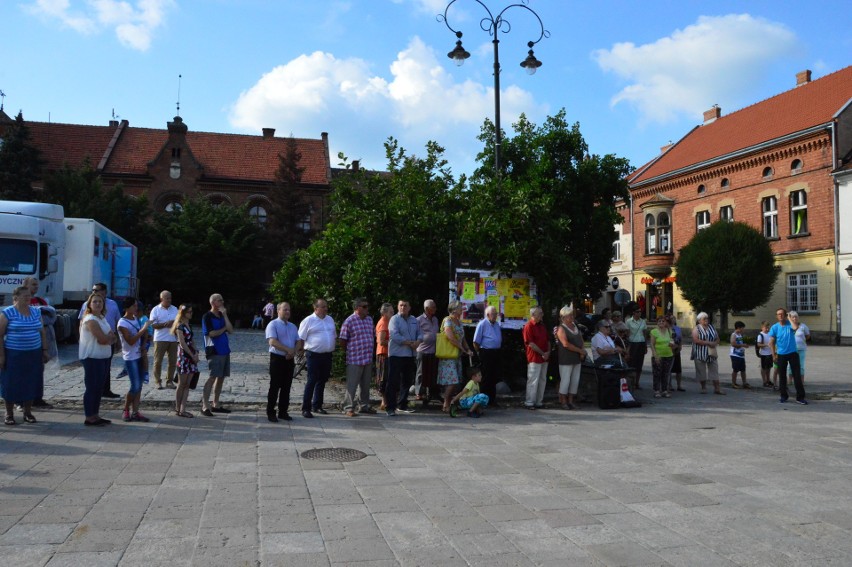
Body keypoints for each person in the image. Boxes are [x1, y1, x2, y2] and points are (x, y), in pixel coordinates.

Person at [0, 286, 49, 425]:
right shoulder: (8, 313)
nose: (28, 298)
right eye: (24, 296)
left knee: (30, 382)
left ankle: (27, 412)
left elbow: (42, 332)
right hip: (13, 355)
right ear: (15, 298)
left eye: (29, 296)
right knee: (10, 383)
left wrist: (45, 350)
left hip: (33, 354)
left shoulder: (35, 312)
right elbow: (0, 334)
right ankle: (9, 413)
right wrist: (1, 356)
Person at [79, 293, 117, 426]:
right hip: (92, 357)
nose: (98, 304)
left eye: (100, 302)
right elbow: (103, 339)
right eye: (95, 302)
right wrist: (109, 339)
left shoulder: (101, 318)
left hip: (103, 356)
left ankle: (95, 414)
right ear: (89, 304)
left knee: (99, 388)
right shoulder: (90, 319)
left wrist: (109, 339)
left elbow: (112, 336)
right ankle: (89, 416)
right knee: (92, 387)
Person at [79, 283, 122, 398]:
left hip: (105, 348)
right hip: (92, 351)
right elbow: (102, 339)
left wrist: (114, 339)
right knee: (93, 383)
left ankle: (106, 390)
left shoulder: (111, 306)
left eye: (97, 290)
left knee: (106, 369)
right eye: (93, 290)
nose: (94, 292)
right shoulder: (90, 316)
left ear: (104, 291)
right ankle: (90, 413)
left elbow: (115, 327)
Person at [298, 298, 336, 418]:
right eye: (323, 306)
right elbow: (301, 338)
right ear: (316, 308)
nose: (326, 308)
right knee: (312, 380)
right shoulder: (308, 321)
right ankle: (306, 408)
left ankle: (317, 405)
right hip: (313, 354)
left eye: (326, 306)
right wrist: (300, 351)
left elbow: (333, 335)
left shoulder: (330, 319)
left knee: (322, 380)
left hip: (327, 355)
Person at [339, 298, 376, 417]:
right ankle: (348, 407)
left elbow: (372, 335)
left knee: (365, 385)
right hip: (355, 358)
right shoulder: (349, 321)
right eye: (364, 307)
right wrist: (350, 351)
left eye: (367, 306)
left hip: (367, 357)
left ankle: (364, 406)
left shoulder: (369, 320)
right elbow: (342, 340)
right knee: (352, 384)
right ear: (357, 308)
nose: (367, 309)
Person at [117, 297, 152, 422]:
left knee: (140, 385)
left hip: (139, 355)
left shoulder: (136, 319)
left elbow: (144, 335)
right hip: (130, 357)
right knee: (135, 385)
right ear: (127, 308)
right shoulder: (122, 323)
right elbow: (131, 341)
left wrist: (143, 346)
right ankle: (126, 409)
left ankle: (135, 411)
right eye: (134, 306)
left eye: (136, 306)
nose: (136, 308)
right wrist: (144, 329)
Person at [265, 302, 301, 422]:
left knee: (287, 386)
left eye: (289, 310)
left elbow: (299, 342)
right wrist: (287, 350)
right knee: (275, 386)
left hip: (289, 359)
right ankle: (271, 412)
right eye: (285, 310)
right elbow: (272, 342)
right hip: (277, 358)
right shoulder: (273, 324)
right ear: (278, 311)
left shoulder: (292, 326)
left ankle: (283, 411)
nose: (287, 312)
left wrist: (293, 352)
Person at [386, 300, 422, 416]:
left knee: (407, 381)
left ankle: (402, 404)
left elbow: (420, 333)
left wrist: (418, 341)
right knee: (393, 381)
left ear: (409, 307)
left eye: (405, 305)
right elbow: (394, 335)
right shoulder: (394, 319)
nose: (403, 307)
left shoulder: (414, 320)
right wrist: (408, 343)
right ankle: (390, 407)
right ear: (397, 307)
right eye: (401, 305)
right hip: (396, 354)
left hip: (410, 355)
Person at [23, 276, 55, 409]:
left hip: (40, 342)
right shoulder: (22, 301)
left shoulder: (41, 301)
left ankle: (38, 398)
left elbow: (50, 317)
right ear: (25, 285)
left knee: (39, 371)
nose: (36, 287)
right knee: (25, 373)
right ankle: (22, 400)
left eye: (37, 285)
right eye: (33, 285)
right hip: (25, 343)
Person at [201, 293, 234, 416]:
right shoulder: (207, 317)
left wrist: (225, 315)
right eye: (220, 300)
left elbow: (230, 330)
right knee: (212, 376)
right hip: (214, 350)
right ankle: (205, 405)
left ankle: (216, 403)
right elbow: (211, 333)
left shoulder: (221, 315)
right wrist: (223, 329)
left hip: (225, 350)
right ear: (213, 302)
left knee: (221, 377)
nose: (222, 302)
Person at [438, 301, 472, 413]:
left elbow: (463, 338)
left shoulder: (459, 322)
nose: (462, 309)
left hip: (456, 356)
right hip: (448, 356)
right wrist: (462, 349)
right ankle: (446, 403)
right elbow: (450, 337)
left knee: (455, 381)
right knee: (452, 381)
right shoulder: (447, 320)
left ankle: (449, 403)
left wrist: (467, 349)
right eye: (460, 308)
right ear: (454, 310)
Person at [769, 308, 807, 405]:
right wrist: (774, 355)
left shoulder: (790, 324)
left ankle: (800, 397)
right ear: (776, 316)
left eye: (782, 314)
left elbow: (795, 328)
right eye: (778, 314)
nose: (780, 316)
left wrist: (789, 318)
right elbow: (771, 342)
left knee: (797, 375)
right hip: (781, 355)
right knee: (782, 376)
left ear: (785, 315)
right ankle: (783, 396)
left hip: (793, 353)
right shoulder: (775, 327)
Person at [170, 304, 198, 418]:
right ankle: (178, 408)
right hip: (183, 357)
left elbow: (191, 340)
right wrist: (192, 355)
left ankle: (183, 408)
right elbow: (182, 343)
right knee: (181, 384)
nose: (191, 314)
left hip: (191, 356)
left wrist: (196, 352)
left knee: (187, 384)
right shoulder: (180, 326)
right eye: (189, 312)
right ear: (183, 313)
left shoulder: (188, 325)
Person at [555, 305, 586, 410]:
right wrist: (580, 351)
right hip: (566, 358)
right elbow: (565, 344)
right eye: (569, 315)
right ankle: (563, 401)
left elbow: (581, 339)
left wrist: (582, 351)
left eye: (572, 315)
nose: (572, 317)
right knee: (565, 380)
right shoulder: (561, 328)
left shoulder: (575, 326)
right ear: (563, 317)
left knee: (575, 380)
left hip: (576, 358)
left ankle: (571, 401)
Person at [472, 305, 502, 407]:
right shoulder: (482, 324)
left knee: (494, 377)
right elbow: (476, 342)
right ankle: (483, 400)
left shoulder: (497, 324)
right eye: (494, 314)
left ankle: (492, 400)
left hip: (495, 352)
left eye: (496, 314)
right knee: (485, 377)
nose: (496, 315)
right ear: (488, 315)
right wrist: (479, 353)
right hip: (486, 352)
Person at [149, 290, 178, 390]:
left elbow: (179, 321)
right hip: (160, 339)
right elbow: (153, 325)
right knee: (158, 361)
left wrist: (174, 323)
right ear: (162, 299)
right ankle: (158, 381)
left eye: (170, 298)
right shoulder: (155, 310)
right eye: (167, 298)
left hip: (173, 339)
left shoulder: (175, 309)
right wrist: (165, 324)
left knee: (173, 361)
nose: (169, 300)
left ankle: (169, 381)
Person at [523, 306, 550, 410]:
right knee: (533, 380)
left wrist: (547, 352)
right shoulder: (528, 326)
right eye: (540, 313)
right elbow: (531, 344)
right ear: (533, 315)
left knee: (542, 379)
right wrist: (543, 353)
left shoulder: (542, 325)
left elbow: (547, 340)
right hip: (534, 357)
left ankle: (539, 401)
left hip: (544, 357)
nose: (542, 315)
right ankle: (529, 402)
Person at [691, 312, 724, 395]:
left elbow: (717, 338)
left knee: (714, 371)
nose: (706, 320)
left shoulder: (712, 327)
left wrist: (715, 343)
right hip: (699, 353)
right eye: (704, 319)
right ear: (699, 321)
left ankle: (717, 388)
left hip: (712, 353)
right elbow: (695, 340)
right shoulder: (696, 329)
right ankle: (703, 387)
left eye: (707, 318)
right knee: (701, 371)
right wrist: (708, 343)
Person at [415, 299, 440, 406]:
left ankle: (430, 392)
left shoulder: (435, 319)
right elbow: (415, 334)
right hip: (422, 350)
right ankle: (419, 392)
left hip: (433, 350)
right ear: (426, 309)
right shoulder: (418, 320)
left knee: (431, 372)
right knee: (421, 372)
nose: (435, 309)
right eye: (433, 307)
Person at [649, 317, 674, 398]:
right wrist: (655, 355)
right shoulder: (654, 331)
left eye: (663, 321)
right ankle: (656, 390)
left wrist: (672, 345)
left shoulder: (669, 331)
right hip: (658, 355)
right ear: (657, 322)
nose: (661, 322)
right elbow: (652, 344)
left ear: (666, 322)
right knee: (657, 373)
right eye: (659, 321)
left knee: (666, 373)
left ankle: (664, 390)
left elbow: (671, 341)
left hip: (668, 355)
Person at [375, 303, 393, 411]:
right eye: (391, 312)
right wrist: (394, 342)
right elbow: (380, 341)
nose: (393, 313)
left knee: (388, 378)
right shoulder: (383, 323)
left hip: (389, 353)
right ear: (385, 313)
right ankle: (384, 400)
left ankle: (386, 400)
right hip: (383, 354)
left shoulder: (389, 322)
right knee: (383, 378)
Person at [626, 308, 649, 389]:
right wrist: (628, 347)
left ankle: (637, 383)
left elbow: (645, 334)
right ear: (634, 312)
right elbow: (627, 334)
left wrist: (646, 345)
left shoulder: (643, 321)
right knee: (632, 363)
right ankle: (631, 382)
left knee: (639, 364)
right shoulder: (628, 321)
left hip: (641, 343)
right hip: (633, 343)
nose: (639, 313)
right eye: (637, 312)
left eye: (640, 312)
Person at [790, 311, 810, 384]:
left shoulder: (803, 326)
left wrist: (803, 340)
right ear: (790, 318)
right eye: (793, 317)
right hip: (791, 349)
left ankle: (801, 380)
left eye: (796, 317)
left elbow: (808, 335)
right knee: (791, 365)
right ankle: (790, 380)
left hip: (801, 348)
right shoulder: (789, 326)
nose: (795, 318)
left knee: (801, 365)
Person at [729, 321, 750, 389]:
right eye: (742, 328)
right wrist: (742, 345)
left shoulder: (740, 335)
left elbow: (740, 343)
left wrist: (743, 345)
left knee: (743, 369)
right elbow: (733, 344)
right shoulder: (734, 334)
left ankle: (744, 383)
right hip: (735, 355)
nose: (743, 329)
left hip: (741, 355)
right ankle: (733, 383)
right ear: (738, 328)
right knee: (735, 369)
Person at [668, 315, 685, 392]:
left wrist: (680, 346)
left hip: (677, 348)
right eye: (671, 319)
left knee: (678, 369)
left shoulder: (678, 328)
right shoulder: (667, 328)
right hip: (669, 349)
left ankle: (679, 385)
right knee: (669, 369)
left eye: (674, 318)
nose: (672, 320)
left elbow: (680, 338)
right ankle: (669, 385)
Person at [756, 321, 774, 387]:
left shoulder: (770, 334)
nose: (767, 329)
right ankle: (764, 381)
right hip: (763, 354)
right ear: (762, 328)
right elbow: (758, 344)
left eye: (768, 327)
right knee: (763, 368)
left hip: (770, 353)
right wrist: (766, 345)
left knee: (769, 368)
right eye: (765, 327)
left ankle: (768, 380)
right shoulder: (760, 335)